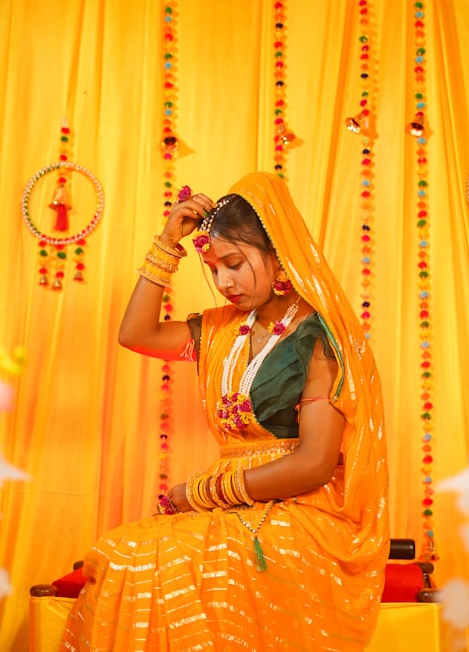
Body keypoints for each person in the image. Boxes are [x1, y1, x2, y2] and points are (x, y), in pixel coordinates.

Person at [60, 172, 389, 651]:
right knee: (117, 552)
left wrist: (203, 492)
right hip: (230, 507)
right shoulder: (220, 330)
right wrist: (168, 243)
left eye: (234, 263)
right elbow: (137, 335)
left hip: (303, 509)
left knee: (166, 563)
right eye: (214, 269)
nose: (224, 282)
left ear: (278, 254)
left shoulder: (318, 338)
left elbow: (316, 462)